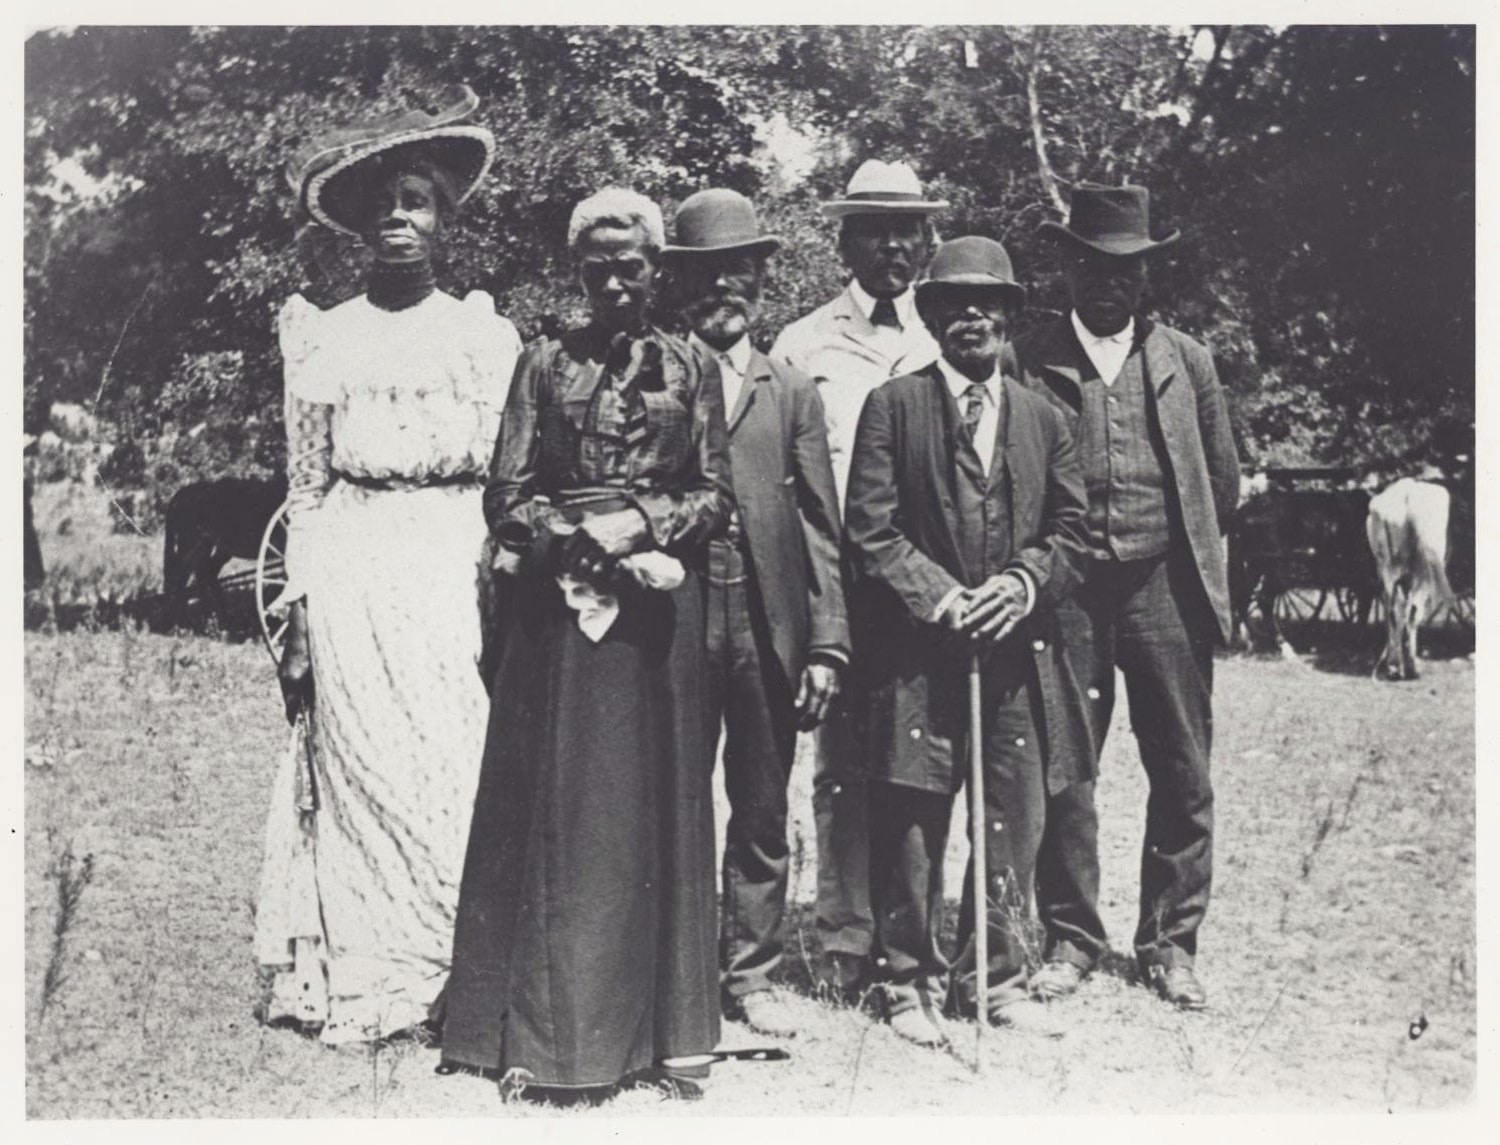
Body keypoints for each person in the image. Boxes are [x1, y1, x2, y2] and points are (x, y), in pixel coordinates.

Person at [440, 187, 734, 1098]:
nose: (614, 280)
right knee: (557, 810)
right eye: (597, 265)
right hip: (556, 623)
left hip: (655, 626)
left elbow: (716, 494)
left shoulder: (693, 368)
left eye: (631, 265)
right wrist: (578, 542)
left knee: (650, 810)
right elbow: (507, 493)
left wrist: (641, 524)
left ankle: (651, 1038)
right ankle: (542, 1037)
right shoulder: (541, 363)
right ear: (578, 271)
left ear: (656, 271)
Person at [254, 86, 523, 1044]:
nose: (398, 220)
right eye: (384, 205)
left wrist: (502, 580)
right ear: (361, 228)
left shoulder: (484, 337)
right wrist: (302, 608)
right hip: (358, 561)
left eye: (417, 201)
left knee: (449, 755)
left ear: (446, 220)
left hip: (452, 561)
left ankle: (457, 965)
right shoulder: (325, 336)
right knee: (363, 760)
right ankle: (371, 971)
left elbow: (507, 481)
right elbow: (310, 486)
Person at [843, 236, 1090, 1046]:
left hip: (1015, 655)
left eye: (988, 303)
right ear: (933, 315)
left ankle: (996, 975)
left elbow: (1073, 531)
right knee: (914, 813)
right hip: (919, 654)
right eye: (953, 303)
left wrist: (1020, 584)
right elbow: (870, 533)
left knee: (1011, 816)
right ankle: (902, 979)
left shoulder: (1046, 417)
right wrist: (943, 597)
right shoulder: (896, 405)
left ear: (1012, 316)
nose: (971, 316)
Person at [1013, 183, 1240, 1010]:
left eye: (1128, 268)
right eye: (1093, 265)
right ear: (1068, 267)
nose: (1110, 282)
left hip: (1164, 588)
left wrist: (1176, 557)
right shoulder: (1027, 358)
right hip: (1066, 593)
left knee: (1181, 767)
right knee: (1065, 770)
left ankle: (1171, 943)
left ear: (1146, 276)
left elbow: (1222, 481)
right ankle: (1070, 936)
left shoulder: (1188, 362)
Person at [662, 189, 849, 1037]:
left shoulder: (794, 389)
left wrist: (827, 645)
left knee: (762, 804)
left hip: (770, 622)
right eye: (704, 275)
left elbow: (820, 522)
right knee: (674, 794)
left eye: (738, 271)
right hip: (676, 620)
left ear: (761, 280)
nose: (722, 290)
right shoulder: (654, 375)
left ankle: (754, 970)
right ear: (681, 285)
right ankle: (675, 965)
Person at [769, 158, 944, 996]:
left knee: (917, 766)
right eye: (875, 227)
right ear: (844, 237)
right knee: (840, 765)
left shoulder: (947, 336)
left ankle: (915, 933)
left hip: (924, 591)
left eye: (908, 229)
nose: (893, 246)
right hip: (836, 585)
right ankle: (843, 938)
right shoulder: (802, 344)